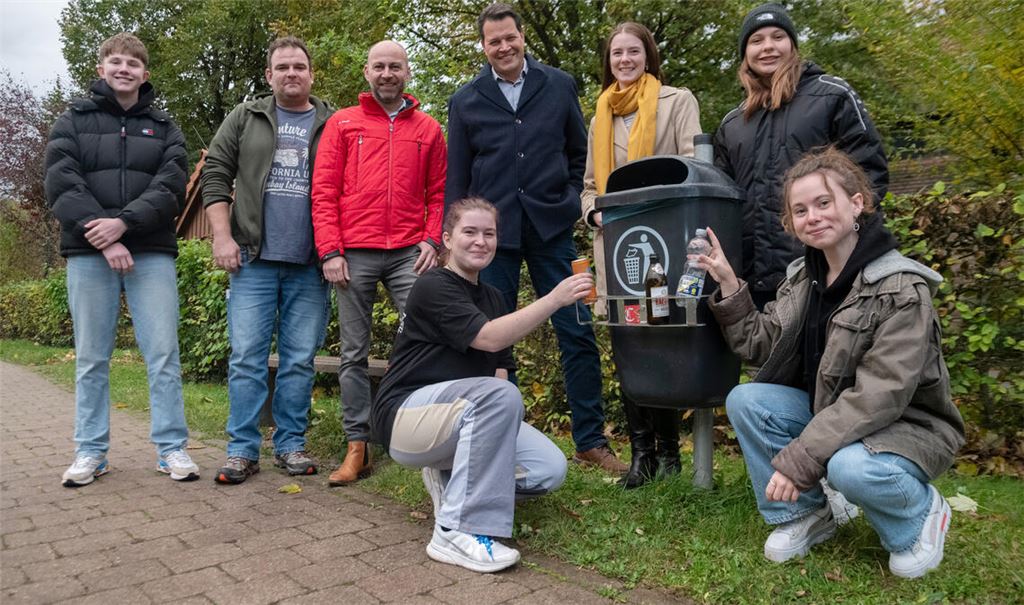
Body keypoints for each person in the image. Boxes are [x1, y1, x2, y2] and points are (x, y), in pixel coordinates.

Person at [694, 148, 964, 578]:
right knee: (748, 399)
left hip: (907, 428)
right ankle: (806, 515)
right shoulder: (804, 277)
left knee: (848, 466)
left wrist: (802, 457)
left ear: (856, 203)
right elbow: (763, 345)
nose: (812, 216)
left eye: (823, 203)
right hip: (834, 420)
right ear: (790, 223)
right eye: (799, 210)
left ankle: (920, 514)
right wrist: (728, 283)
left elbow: (880, 396)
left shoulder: (901, 288)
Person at [446, 2, 626, 474]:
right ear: (483, 46)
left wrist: (569, 200)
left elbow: (578, 155)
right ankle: (501, 437)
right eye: (493, 41)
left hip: (551, 230)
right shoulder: (465, 101)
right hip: (494, 238)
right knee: (492, 339)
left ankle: (589, 440)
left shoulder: (559, 85)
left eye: (510, 37)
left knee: (577, 330)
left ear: (521, 37)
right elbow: (459, 177)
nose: (503, 47)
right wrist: (457, 234)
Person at [371, 197, 574, 573]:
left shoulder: (494, 297)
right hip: (405, 419)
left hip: (459, 419)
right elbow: (490, 339)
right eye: (470, 232)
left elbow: (500, 369)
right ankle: (455, 530)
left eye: (489, 233)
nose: (481, 241)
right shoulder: (432, 286)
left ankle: (454, 485)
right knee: (498, 396)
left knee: (549, 468)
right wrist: (553, 299)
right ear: (447, 239)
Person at [44, 32, 198, 487]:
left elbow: (171, 186)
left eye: (133, 63)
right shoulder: (72, 121)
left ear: (144, 74)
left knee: (163, 354)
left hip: (151, 252)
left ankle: (172, 449)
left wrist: (124, 225)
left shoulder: (165, 127)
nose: (124, 69)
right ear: (102, 69)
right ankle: (91, 452)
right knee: (92, 357)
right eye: (115, 61)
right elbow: (60, 181)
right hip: (89, 252)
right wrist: (105, 235)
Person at [311, 40, 446, 486]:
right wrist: (330, 249)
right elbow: (324, 190)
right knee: (353, 353)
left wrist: (431, 240)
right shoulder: (343, 123)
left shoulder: (428, 129)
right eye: (379, 67)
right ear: (367, 72)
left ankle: (421, 436)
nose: (387, 73)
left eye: (396, 66)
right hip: (354, 253)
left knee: (425, 342)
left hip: (411, 252)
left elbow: (440, 193)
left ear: (407, 72)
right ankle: (358, 446)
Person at [201, 36, 332, 484]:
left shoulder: (333, 121)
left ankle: (291, 444)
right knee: (246, 358)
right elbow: (215, 174)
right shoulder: (245, 116)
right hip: (253, 259)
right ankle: (241, 450)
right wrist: (222, 237)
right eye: (283, 67)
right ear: (269, 75)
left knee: (299, 360)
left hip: (311, 263)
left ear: (311, 74)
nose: (291, 73)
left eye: (299, 66)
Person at [580, 22, 703, 489]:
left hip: (665, 244)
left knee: (664, 340)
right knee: (628, 344)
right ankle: (641, 455)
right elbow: (591, 188)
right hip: (616, 247)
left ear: (647, 56)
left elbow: (695, 167)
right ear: (608, 61)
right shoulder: (599, 116)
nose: (625, 60)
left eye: (633, 51)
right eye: (616, 54)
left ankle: (670, 454)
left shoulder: (677, 101)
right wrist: (594, 214)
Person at [714, 2, 888, 309]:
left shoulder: (832, 95)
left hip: (827, 271)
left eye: (777, 36)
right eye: (756, 40)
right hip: (757, 281)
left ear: (792, 45)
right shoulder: (732, 124)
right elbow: (724, 204)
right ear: (745, 53)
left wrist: (840, 245)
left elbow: (869, 173)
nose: (768, 47)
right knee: (769, 356)